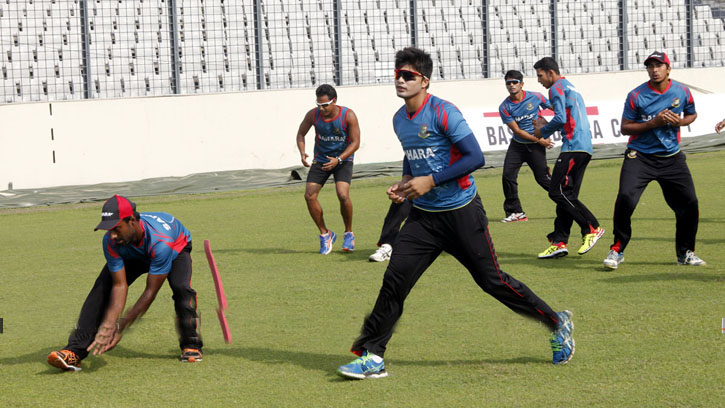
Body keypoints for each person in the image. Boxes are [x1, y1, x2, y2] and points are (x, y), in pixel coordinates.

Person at [336, 47, 575, 380]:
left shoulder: (444, 112)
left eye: (408, 75)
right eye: (397, 74)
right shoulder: (399, 119)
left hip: (462, 212)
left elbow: (474, 157)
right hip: (423, 218)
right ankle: (372, 355)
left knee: (492, 282)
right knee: (394, 280)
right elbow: (412, 155)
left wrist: (430, 180)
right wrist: (406, 180)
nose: (400, 80)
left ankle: (555, 321)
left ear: (425, 81)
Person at [47, 195, 203, 372]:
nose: (112, 235)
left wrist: (120, 327)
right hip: (132, 252)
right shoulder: (111, 241)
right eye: (109, 230)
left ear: (132, 221)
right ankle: (74, 351)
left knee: (181, 288)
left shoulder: (162, 242)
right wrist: (110, 323)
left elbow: (150, 291)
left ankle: (191, 343)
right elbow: (119, 285)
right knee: (101, 288)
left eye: (116, 229)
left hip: (176, 248)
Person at [603, 51, 704, 269]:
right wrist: (654, 123)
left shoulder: (682, 91)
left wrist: (680, 122)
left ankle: (685, 253)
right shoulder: (636, 95)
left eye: (659, 66)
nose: (654, 70)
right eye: (650, 66)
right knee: (626, 198)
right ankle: (617, 249)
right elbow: (624, 128)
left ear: (668, 69)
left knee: (690, 203)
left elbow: (692, 114)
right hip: (639, 156)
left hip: (672, 157)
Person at [533, 57, 604, 259]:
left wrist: (542, 132)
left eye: (540, 75)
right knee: (566, 196)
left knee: (556, 192)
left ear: (550, 72)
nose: (539, 80)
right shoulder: (571, 86)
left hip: (573, 147)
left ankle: (591, 227)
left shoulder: (555, 88)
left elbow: (561, 119)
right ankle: (559, 242)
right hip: (584, 146)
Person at [296, 84, 361, 254]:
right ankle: (326, 234)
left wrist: (339, 159)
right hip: (321, 160)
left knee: (342, 194)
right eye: (319, 105)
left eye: (325, 105)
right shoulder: (313, 114)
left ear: (334, 101)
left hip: (343, 160)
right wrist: (302, 152)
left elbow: (355, 143)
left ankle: (348, 233)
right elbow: (301, 134)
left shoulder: (348, 115)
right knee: (309, 195)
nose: (322, 109)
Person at [498, 69, 553, 223]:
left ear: (521, 84)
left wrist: (550, 129)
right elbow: (517, 130)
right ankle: (516, 212)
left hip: (535, 147)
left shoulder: (536, 97)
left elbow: (556, 109)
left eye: (515, 82)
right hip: (518, 145)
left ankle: (566, 199)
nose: (512, 85)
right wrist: (540, 140)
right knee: (508, 176)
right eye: (508, 83)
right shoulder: (504, 107)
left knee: (543, 179)